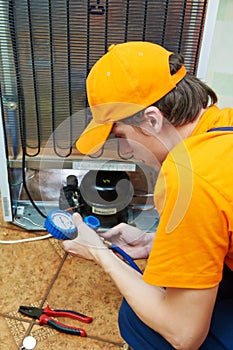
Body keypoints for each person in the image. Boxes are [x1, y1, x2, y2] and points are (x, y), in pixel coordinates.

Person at [63, 41, 233, 349]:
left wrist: (102, 255)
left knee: (138, 319)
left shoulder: (190, 177)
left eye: (121, 137)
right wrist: (154, 243)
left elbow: (185, 336)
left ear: (152, 120)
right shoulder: (224, 125)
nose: (126, 151)